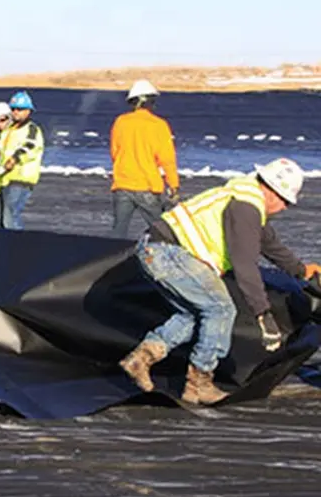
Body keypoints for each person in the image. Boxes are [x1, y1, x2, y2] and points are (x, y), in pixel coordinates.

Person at [119, 158, 321, 405]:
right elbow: (244, 263)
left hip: (156, 251)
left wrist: (301, 270)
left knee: (194, 314)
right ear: (272, 191)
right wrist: (262, 313)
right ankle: (199, 383)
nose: (284, 208)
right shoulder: (246, 207)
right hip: (169, 253)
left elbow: (269, 244)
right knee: (221, 309)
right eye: (286, 201)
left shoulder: (244, 196)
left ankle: (141, 359)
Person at [110, 79, 179, 238]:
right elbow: (167, 159)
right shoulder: (158, 125)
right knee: (162, 233)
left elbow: (115, 153)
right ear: (150, 102)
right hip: (147, 186)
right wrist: (173, 185)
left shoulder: (120, 122)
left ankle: (111, 260)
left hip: (122, 184)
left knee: (118, 233)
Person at [0, 91, 44, 230]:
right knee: (0, 219)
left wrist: (15, 158)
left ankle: (18, 247)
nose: (15, 112)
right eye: (13, 109)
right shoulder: (9, 130)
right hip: (4, 179)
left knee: (11, 218)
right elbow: (0, 148)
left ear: (28, 111)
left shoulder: (32, 129)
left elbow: (30, 146)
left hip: (20, 179)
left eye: (19, 109)